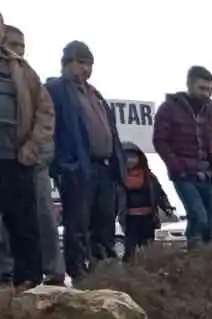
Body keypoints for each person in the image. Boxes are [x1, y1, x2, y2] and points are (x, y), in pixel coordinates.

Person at [45, 40, 118, 280]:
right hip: (77, 168)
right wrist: (64, 166)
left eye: (90, 64)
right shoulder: (56, 89)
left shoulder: (95, 94)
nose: (87, 69)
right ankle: (78, 273)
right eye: (82, 63)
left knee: (104, 221)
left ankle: (102, 271)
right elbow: (50, 128)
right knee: (78, 224)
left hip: (104, 168)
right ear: (67, 63)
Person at [0, 20, 57, 286]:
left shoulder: (21, 69)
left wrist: (32, 148)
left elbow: (45, 111)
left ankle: (30, 286)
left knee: (24, 226)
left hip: (15, 159)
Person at [153, 66, 212, 247]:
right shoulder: (170, 108)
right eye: (202, 88)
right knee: (199, 218)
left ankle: (201, 262)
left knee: (210, 226)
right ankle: (195, 255)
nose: (206, 93)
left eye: (209, 89)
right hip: (184, 174)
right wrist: (175, 165)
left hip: (209, 174)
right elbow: (160, 140)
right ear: (190, 85)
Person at [119, 144, 173, 263]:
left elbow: (159, 193)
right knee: (130, 249)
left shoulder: (148, 176)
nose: (130, 160)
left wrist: (167, 208)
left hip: (148, 218)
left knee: (148, 248)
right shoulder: (119, 178)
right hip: (130, 219)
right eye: (127, 157)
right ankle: (128, 272)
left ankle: (147, 272)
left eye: (133, 156)